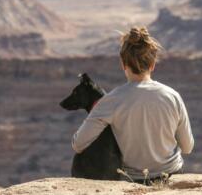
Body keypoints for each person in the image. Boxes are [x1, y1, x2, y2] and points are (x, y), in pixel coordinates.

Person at [72, 26, 194, 184]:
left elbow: (78, 144)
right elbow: (187, 147)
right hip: (171, 175)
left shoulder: (111, 100)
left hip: (134, 180)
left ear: (123, 64)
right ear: (152, 65)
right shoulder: (172, 96)